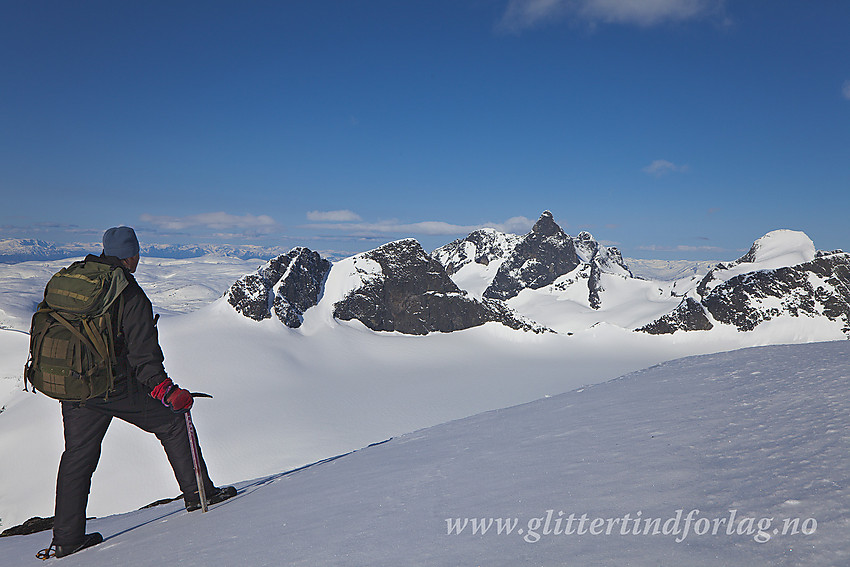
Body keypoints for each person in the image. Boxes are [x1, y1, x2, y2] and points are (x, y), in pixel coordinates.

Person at [43, 226, 235, 559]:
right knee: (173, 422)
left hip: (73, 384)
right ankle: (199, 494)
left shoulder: (77, 278)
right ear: (131, 255)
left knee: (77, 458)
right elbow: (143, 357)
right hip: (112, 385)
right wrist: (167, 392)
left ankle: (67, 539)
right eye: (137, 252)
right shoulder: (127, 293)